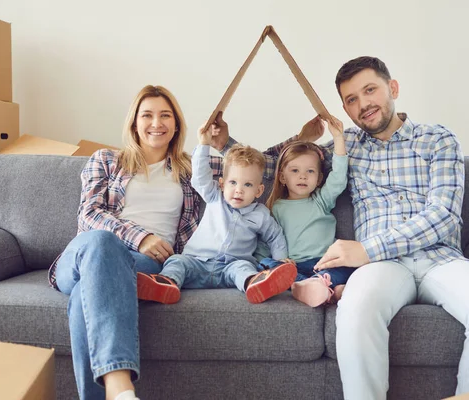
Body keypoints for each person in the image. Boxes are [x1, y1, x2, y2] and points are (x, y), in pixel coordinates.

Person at [210, 56, 469, 399]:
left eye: (369, 90)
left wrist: (367, 249)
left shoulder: (438, 139)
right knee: (355, 311)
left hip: (439, 259)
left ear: (393, 88)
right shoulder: (348, 146)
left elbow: (444, 214)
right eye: (351, 100)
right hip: (381, 268)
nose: (362, 105)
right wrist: (228, 144)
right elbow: (279, 168)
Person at [47, 85, 302, 400]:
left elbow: (253, 166)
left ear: (177, 125)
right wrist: (141, 237)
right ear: (134, 123)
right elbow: (89, 215)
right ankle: (119, 388)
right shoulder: (106, 160)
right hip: (87, 254)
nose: (157, 123)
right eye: (148, 115)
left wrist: (295, 136)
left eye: (165, 115)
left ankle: (115, 392)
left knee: (90, 293)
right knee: (100, 243)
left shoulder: (189, 168)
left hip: (143, 267)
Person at [136, 125, 297, 305]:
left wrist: (281, 260)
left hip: (230, 269)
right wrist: (204, 143)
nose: (239, 190)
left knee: (244, 268)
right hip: (196, 263)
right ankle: (167, 284)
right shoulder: (214, 197)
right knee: (176, 262)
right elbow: (200, 177)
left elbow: (275, 236)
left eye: (248, 185)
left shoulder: (260, 214)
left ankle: (255, 284)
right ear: (221, 184)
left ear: (259, 191)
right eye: (233, 182)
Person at [259, 117, 356, 307]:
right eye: (295, 170)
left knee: (346, 267)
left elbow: (338, 178)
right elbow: (265, 241)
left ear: (319, 178)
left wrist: (338, 138)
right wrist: (263, 261)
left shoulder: (321, 200)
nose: (302, 176)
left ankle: (320, 286)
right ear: (282, 177)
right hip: (292, 265)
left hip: (324, 262)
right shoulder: (275, 208)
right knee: (269, 266)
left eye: (310, 171)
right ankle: (317, 288)